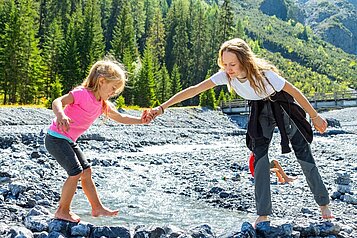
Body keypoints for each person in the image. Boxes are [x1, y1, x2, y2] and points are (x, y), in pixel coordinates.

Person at [147, 38, 333, 227]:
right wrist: (162, 108)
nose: (228, 68)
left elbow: (294, 91)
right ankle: (263, 214)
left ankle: (323, 203)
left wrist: (315, 116)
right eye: (225, 64)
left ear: (244, 60)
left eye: (232, 64)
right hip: (259, 111)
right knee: (259, 156)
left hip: (282, 106)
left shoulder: (266, 75)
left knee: (302, 152)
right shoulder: (226, 76)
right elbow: (194, 90)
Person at [45, 57, 152, 223]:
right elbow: (57, 101)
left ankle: (97, 208)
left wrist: (141, 120)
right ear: (102, 81)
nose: (113, 93)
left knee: (86, 172)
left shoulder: (102, 103)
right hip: (55, 138)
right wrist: (61, 115)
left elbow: (121, 117)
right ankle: (62, 210)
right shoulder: (81, 94)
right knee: (75, 172)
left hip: (68, 140)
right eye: (113, 88)